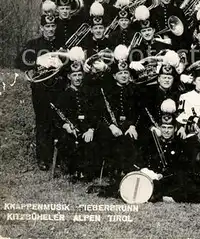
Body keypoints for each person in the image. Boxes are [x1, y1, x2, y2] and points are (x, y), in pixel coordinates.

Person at [15, 13, 63, 170]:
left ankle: (60, 158)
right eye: (47, 26)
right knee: (43, 122)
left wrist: (61, 62)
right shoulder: (33, 44)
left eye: (52, 26)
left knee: (59, 121)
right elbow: (19, 62)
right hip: (41, 90)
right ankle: (43, 159)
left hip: (58, 88)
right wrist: (37, 61)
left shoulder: (61, 44)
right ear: (41, 28)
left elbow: (70, 63)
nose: (50, 29)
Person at [53, 47, 99, 181]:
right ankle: (74, 170)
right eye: (75, 75)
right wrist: (66, 126)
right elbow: (57, 117)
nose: (78, 78)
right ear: (69, 76)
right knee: (68, 142)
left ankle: (86, 171)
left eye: (80, 75)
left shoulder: (88, 93)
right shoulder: (64, 95)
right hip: (70, 129)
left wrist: (91, 129)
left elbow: (95, 114)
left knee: (93, 141)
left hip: (85, 128)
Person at [98, 45, 140, 190]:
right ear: (115, 76)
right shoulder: (108, 90)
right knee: (109, 137)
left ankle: (128, 170)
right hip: (111, 125)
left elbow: (137, 111)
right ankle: (114, 171)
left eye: (126, 72)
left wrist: (133, 125)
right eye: (120, 73)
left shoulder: (134, 90)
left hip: (129, 125)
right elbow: (102, 112)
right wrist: (111, 126)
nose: (124, 75)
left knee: (132, 138)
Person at [144, 99, 185, 203]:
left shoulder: (180, 144)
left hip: (170, 178)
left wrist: (163, 175)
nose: (166, 131)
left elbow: (180, 167)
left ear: (175, 129)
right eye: (164, 127)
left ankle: (157, 194)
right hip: (153, 177)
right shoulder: (152, 143)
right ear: (160, 128)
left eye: (170, 128)